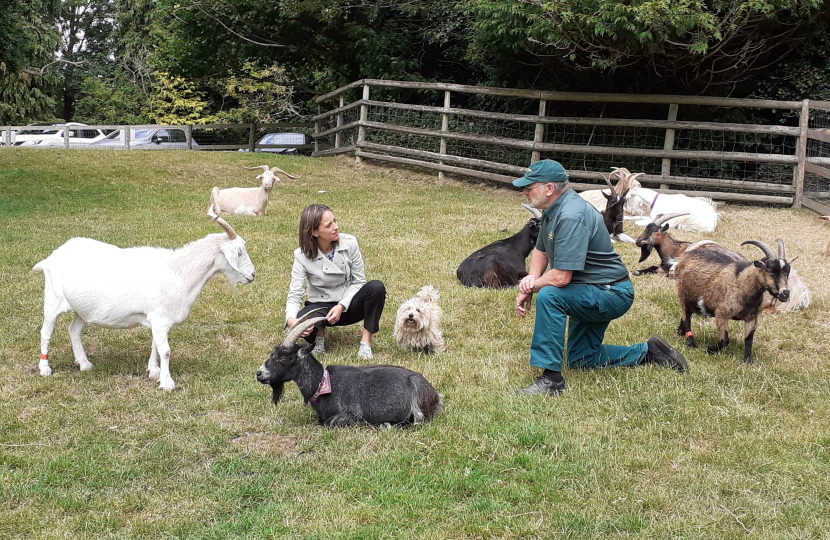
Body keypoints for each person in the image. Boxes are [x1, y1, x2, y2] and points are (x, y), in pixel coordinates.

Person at [513, 159, 688, 396]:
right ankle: (648, 352)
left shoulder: (571, 215)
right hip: (592, 289)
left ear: (549, 188)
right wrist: (530, 279)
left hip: (610, 293)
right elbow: (541, 250)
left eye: (529, 186)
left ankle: (551, 380)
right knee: (582, 359)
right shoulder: (554, 210)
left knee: (550, 295)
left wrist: (533, 285)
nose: (524, 191)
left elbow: (561, 278)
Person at [286, 204, 386, 360]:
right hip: (321, 307)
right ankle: (319, 336)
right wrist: (292, 320)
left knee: (376, 287)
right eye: (329, 225)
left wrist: (341, 305)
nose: (336, 227)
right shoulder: (301, 256)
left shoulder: (350, 243)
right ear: (314, 232)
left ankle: (365, 344)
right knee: (303, 326)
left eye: (335, 221)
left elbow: (359, 281)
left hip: (348, 304)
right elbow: (295, 294)